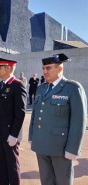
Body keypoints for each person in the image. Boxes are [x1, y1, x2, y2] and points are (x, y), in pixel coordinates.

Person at [29, 53, 87, 185]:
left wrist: (72, 149)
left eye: (48, 68)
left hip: (60, 148)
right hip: (41, 145)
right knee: (46, 181)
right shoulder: (41, 89)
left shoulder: (72, 88)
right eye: (43, 68)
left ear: (60, 69)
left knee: (63, 182)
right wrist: (32, 137)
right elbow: (35, 115)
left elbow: (78, 122)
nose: (44, 71)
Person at [0, 58, 27, 185]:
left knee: (12, 164)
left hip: (10, 133)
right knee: (1, 162)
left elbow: (20, 112)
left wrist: (14, 134)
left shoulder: (18, 85)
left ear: (7, 68)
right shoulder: (1, 85)